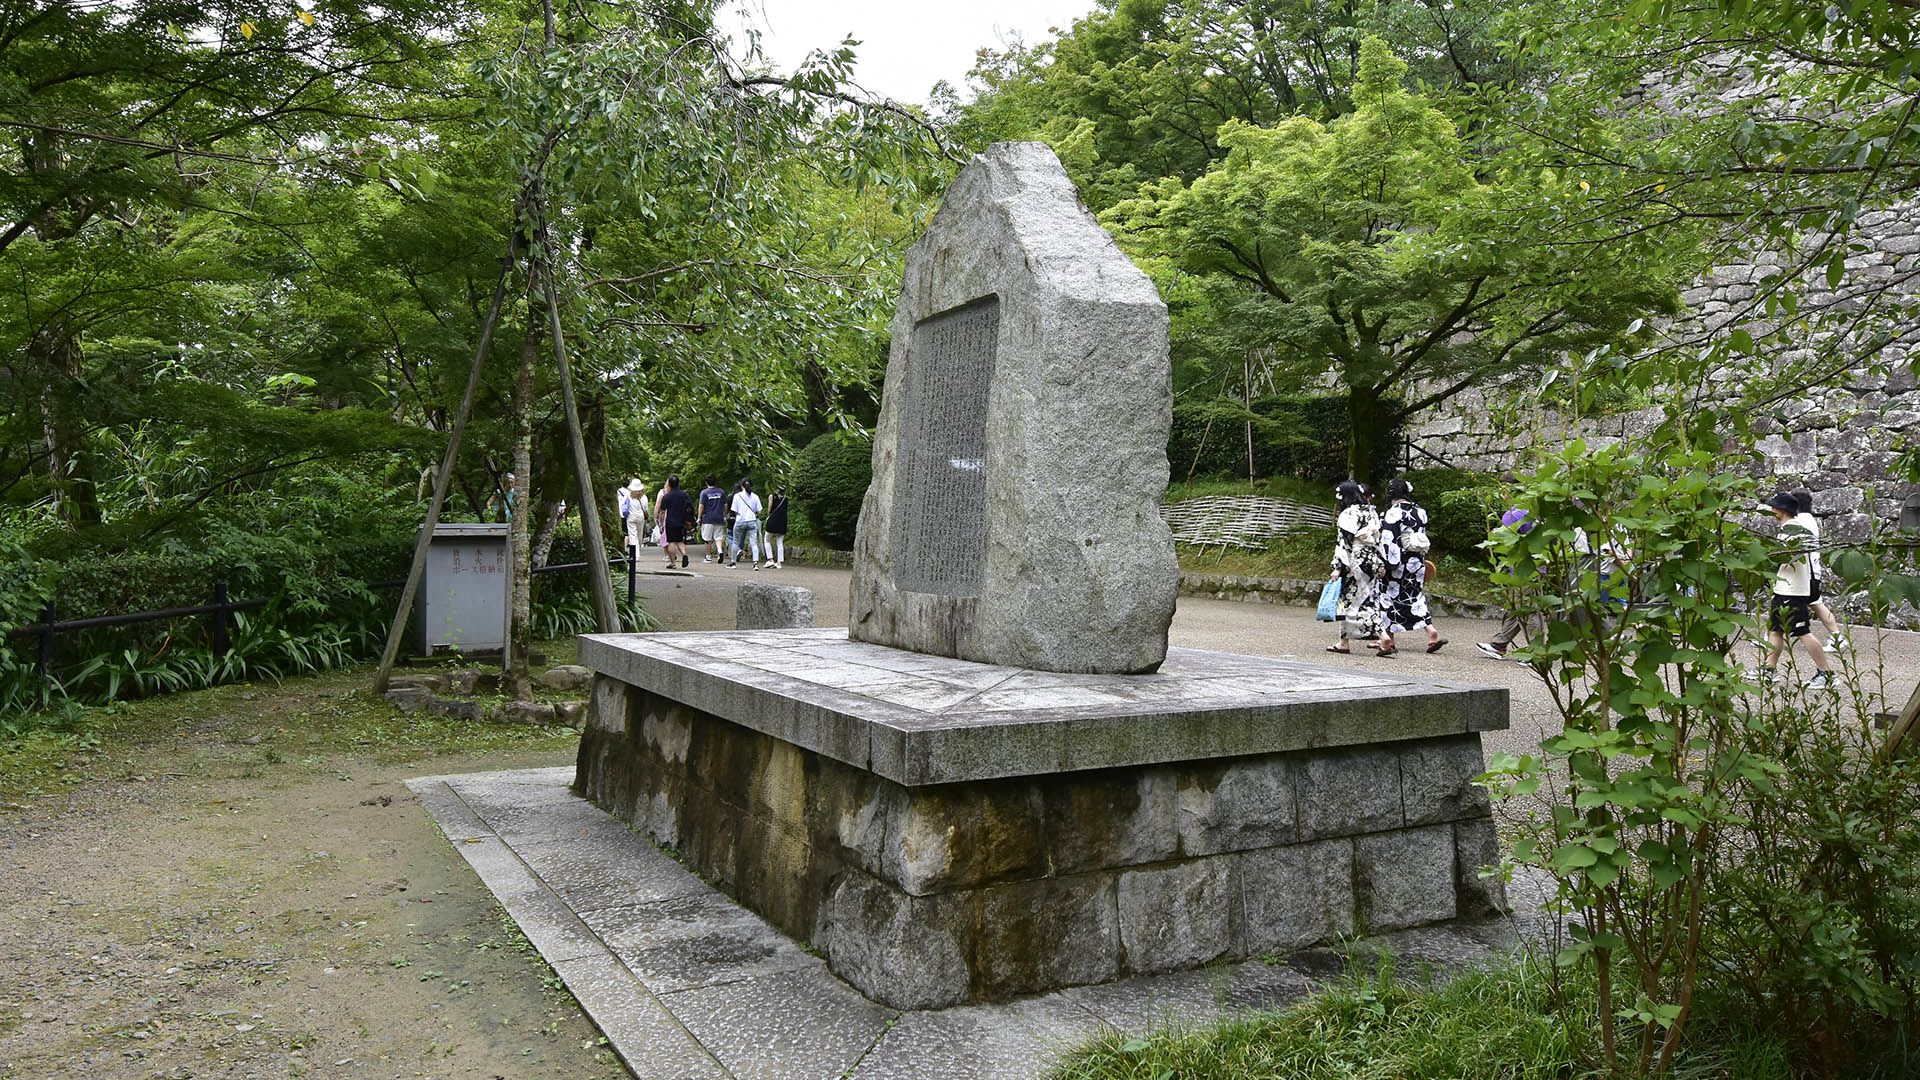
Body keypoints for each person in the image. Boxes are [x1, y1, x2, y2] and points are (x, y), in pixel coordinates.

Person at [1760, 491, 1837, 690]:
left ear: (1782, 510)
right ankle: (1769, 671)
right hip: (1784, 587)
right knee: (1775, 630)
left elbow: (1785, 557)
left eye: (1774, 507)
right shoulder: (1790, 528)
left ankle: (1826, 673)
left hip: (1792, 590)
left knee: (1802, 631)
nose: (1772, 510)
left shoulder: (1793, 530)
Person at [1377, 477, 1446, 656]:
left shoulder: (1392, 513)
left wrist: (1385, 564)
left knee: (1387, 598)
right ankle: (1432, 633)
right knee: (1415, 596)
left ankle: (1389, 640)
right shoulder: (1420, 511)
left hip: (1398, 562)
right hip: (1416, 561)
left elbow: (1388, 541)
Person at [1327, 481, 1387, 654]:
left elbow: (1344, 543)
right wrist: (1383, 563)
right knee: (1361, 598)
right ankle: (1343, 641)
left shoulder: (1348, 514)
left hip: (1356, 561)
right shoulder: (1371, 512)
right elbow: (1379, 540)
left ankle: (1383, 636)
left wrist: (1338, 567)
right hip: (1373, 560)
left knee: (1355, 600)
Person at [1791, 489, 1848, 649]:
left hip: (1803, 572)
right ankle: (1837, 637)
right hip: (1811, 571)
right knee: (1816, 603)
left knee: (1781, 602)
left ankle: (1771, 637)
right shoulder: (1809, 519)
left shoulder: (1799, 521)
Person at [655, 475, 693, 569]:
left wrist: (661, 524)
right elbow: (690, 507)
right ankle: (684, 554)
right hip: (682, 521)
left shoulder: (667, 496)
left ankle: (673, 563)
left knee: (671, 542)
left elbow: (662, 511)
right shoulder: (684, 494)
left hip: (670, 522)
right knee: (680, 541)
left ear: (669, 484)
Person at [729, 477, 765, 569]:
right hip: (752, 521)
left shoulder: (737, 496)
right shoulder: (755, 496)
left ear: (742, 486)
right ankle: (755, 563)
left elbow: (734, 510)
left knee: (736, 542)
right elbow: (760, 511)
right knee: (753, 543)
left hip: (740, 521)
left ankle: (733, 563)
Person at [698, 475, 728, 564]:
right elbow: (725, 505)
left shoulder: (704, 493)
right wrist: (725, 515)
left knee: (707, 539)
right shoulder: (721, 492)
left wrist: (699, 517)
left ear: (706, 483)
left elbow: (701, 506)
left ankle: (708, 557)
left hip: (708, 518)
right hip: (719, 518)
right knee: (718, 537)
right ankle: (720, 552)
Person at [763, 484, 789, 569]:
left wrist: (768, 516)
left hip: (773, 519)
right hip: (783, 521)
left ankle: (770, 560)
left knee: (767, 539)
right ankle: (779, 563)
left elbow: (770, 508)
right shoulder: (786, 497)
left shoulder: (772, 496)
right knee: (780, 542)